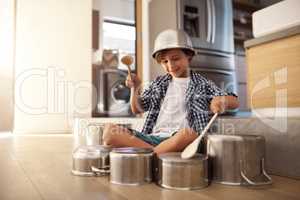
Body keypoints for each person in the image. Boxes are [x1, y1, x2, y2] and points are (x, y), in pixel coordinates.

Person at [102, 29, 239, 155]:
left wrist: (221, 100)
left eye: (175, 59)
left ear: (189, 56)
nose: (170, 65)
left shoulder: (202, 84)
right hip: (151, 138)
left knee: (189, 133)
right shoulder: (159, 83)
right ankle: (155, 154)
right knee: (109, 131)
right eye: (165, 61)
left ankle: (146, 156)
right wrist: (135, 87)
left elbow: (234, 101)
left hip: (179, 140)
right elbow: (137, 109)